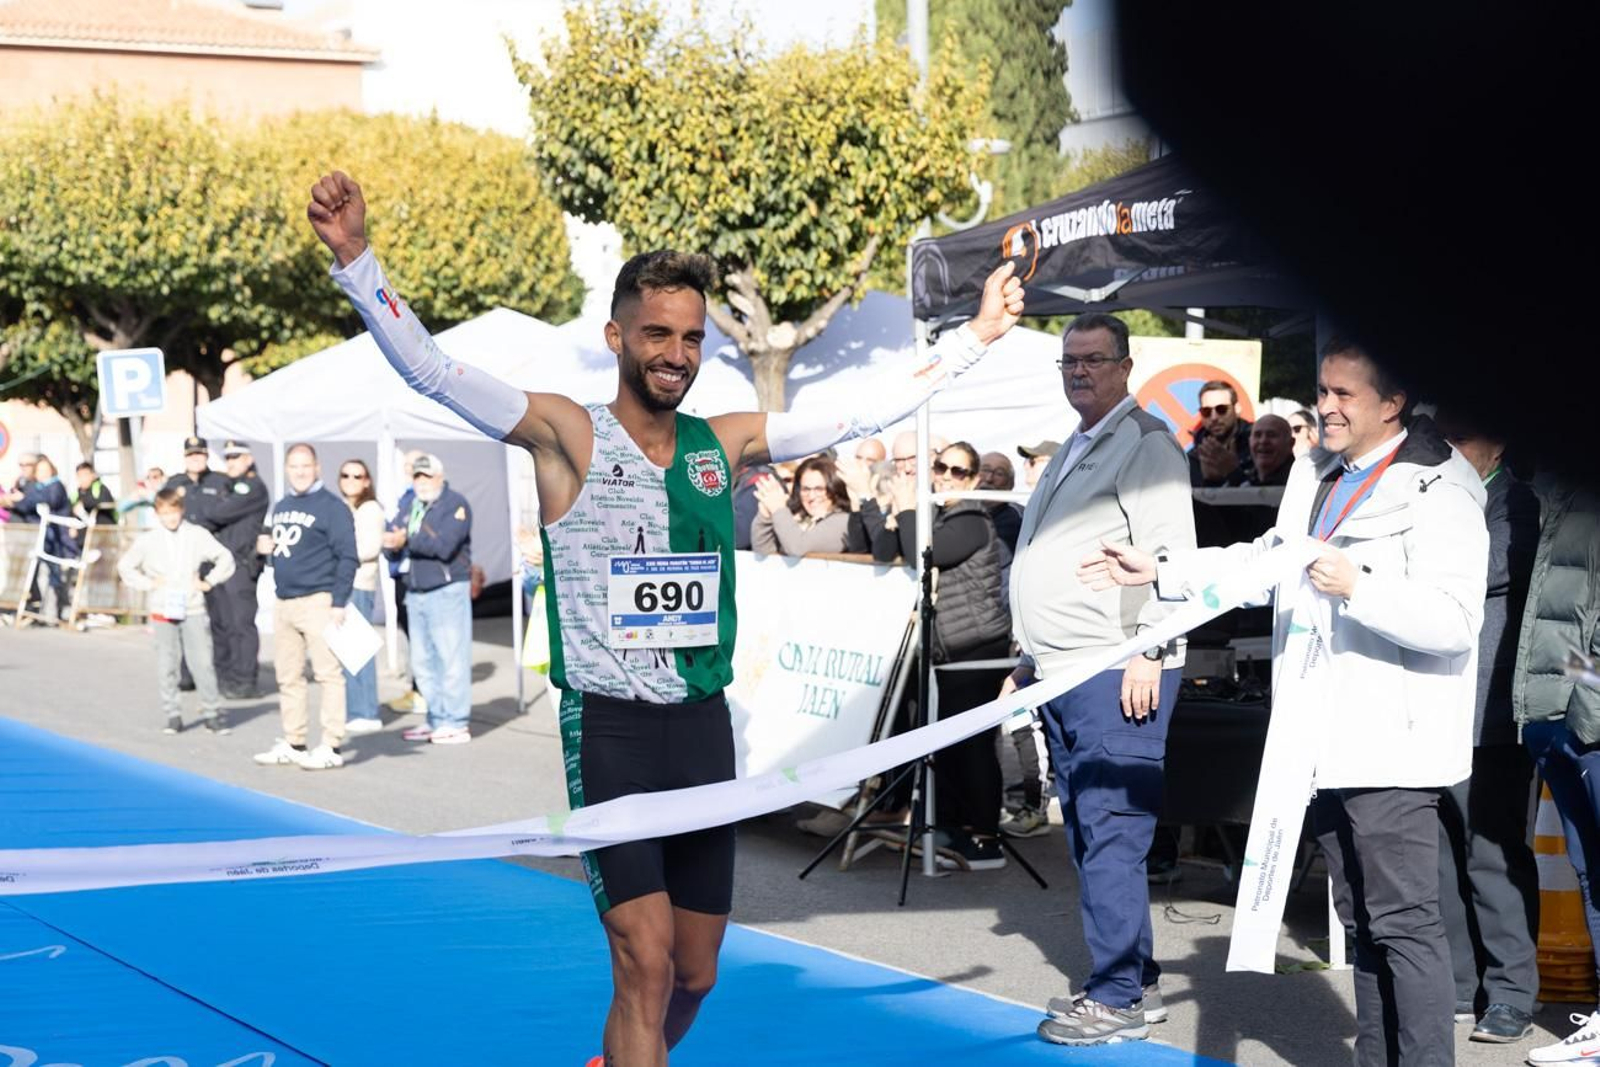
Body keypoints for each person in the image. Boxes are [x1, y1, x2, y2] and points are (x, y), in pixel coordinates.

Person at [308, 167, 1023, 1065]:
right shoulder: (565, 433)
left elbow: (855, 409)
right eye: (657, 334)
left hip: (700, 732)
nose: (676, 353)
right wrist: (357, 262)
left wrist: (977, 339)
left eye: (690, 337)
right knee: (641, 962)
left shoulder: (722, 442)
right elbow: (435, 371)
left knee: (694, 974)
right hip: (609, 731)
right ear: (617, 336)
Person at [1084, 337, 1488, 1064]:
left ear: (1393, 404)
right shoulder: (1319, 473)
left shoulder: (1443, 486)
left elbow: (1456, 623)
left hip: (1391, 748)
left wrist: (1360, 587)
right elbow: (1264, 560)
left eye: (1343, 396)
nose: (1325, 408)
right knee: (1363, 922)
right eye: (1322, 392)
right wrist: (1164, 568)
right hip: (1319, 737)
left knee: (1403, 924)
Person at [1001, 313, 1196, 1046]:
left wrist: (1153, 651)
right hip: (1067, 668)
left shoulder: (1144, 444)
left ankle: (1116, 997)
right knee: (1087, 828)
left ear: (1124, 365)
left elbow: (1174, 556)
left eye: (1093, 360)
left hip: (1117, 666)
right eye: (1069, 362)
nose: (1079, 372)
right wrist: (1029, 660)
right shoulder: (1076, 446)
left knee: (1112, 832)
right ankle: (1130, 978)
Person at [1427, 414, 1541, 1043]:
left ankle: (1511, 995)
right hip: (1437, 710)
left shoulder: (1513, 502)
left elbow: (1487, 571)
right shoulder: (1446, 497)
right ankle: (1457, 986)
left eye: (1460, 440)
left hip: (1490, 715)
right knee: (1440, 858)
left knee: (1493, 859)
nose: (1448, 451)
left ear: (1496, 443)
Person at [874, 441, 1013, 869]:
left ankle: (986, 838)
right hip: (949, 647)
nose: (947, 476)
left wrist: (908, 510)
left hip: (979, 647)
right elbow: (884, 552)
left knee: (971, 745)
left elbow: (924, 553)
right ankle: (952, 829)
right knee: (949, 745)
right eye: (942, 467)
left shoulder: (971, 518)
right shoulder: (941, 515)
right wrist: (894, 512)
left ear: (972, 480)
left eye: (959, 471)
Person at [1512, 475, 1600, 1066]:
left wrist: (1591, 701)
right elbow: (1570, 626)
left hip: (1586, 719)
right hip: (1562, 716)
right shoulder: (1561, 489)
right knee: (1591, 872)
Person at [252, 443, 358, 771]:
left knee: (328, 675)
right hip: (284, 600)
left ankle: (330, 745)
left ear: (317, 468)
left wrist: (339, 602)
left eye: (305, 466)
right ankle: (295, 741)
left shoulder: (332, 507)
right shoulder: (281, 505)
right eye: (294, 466)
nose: (299, 472)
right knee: (289, 676)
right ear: (286, 469)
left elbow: (348, 556)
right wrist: (263, 548)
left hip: (319, 600)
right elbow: (283, 547)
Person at [117, 488, 235, 734]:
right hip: (163, 608)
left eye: (174, 511)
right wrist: (149, 584)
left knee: (201, 662)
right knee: (166, 663)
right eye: (164, 513)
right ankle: (172, 713)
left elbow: (224, 558)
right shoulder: (149, 540)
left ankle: (211, 711)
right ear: (158, 514)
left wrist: (208, 581)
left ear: (181, 510)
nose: (170, 517)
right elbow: (126, 566)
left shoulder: (196, 535)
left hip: (191, 607)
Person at [383, 454, 474, 745]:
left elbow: (445, 547)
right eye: (417, 477)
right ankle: (435, 718)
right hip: (416, 590)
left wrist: (407, 539)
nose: (422, 482)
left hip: (446, 591)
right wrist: (391, 545)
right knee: (422, 662)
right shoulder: (410, 504)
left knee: (450, 659)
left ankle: (456, 721)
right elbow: (394, 537)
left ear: (440, 476)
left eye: (427, 476)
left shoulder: (455, 504)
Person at [205, 440, 270, 698]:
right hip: (222, 564)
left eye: (236, 457)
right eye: (228, 458)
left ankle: (244, 680)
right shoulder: (229, 485)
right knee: (222, 623)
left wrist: (209, 508)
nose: (231, 463)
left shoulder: (252, 487)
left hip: (241, 565)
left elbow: (218, 513)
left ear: (248, 459)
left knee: (241, 625)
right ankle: (226, 676)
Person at [339, 458, 387, 734]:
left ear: (367, 481)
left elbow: (369, 547)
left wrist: (336, 556)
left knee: (358, 650)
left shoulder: (370, 509)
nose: (351, 480)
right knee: (348, 650)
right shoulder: (346, 506)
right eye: (346, 475)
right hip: (345, 582)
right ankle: (356, 709)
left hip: (359, 583)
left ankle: (366, 711)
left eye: (357, 476)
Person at [385, 448, 428, 715]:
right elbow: (395, 529)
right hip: (401, 571)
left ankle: (423, 690)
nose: (412, 471)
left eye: (417, 465)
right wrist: (390, 541)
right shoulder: (405, 497)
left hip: (418, 575)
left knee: (420, 635)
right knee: (410, 632)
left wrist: (402, 539)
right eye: (409, 465)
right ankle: (417, 687)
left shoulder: (426, 498)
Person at [750, 454, 851, 556]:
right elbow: (764, 555)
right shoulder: (797, 518)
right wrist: (765, 517)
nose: (811, 496)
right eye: (805, 489)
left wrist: (779, 509)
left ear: (835, 488)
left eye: (819, 489)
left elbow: (798, 549)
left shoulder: (843, 521)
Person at [1188, 379, 1255, 487]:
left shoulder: (1258, 448)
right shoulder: (1193, 457)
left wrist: (1234, 472)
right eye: (1207, 411)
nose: (1214, 417)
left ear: (1237, 409)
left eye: (1221, 409)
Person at [1236, 413, 1294, 487]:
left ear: (1291, 443)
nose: (1263, 441)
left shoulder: (1299, 479)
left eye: (1272, 435)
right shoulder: (1249, 475)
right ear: (1249, 441)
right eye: (1257, 435)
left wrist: (1235, 476)